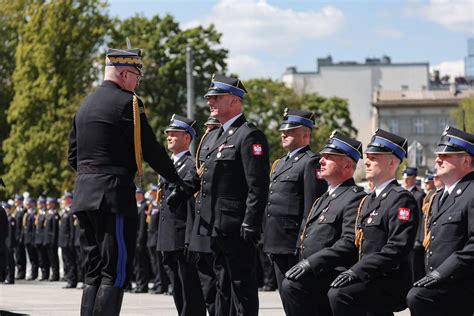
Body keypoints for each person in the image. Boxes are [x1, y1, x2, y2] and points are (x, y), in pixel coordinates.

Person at [68, 47, 186, 315]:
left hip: (84, 196)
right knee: (116, 271)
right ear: (123, 74)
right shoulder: (128, 103)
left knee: (93, 270)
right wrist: (178, 179)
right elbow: (151, 148)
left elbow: (72, 156)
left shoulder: (85, 105)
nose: (137, 82)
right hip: (113, 197)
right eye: (136, 76)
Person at [171, 74, 270, 316]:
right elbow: (200, 175)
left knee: (241, 287)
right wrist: (181, 191)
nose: (210, 102)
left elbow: (257, 185)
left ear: (235, 101)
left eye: (217, 97)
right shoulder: (213, 136)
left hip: (236, 227)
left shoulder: (249, 136)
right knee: (222, 287)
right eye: (209, 98)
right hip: (213, 226)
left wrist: (251, 222)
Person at [327, 129, 418, 316]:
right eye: (367, 157)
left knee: (340, 294)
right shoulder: (369, 199)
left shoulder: (401, 199)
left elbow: (397, 248)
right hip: (368, 276)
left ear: (392, 162)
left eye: (374, 157)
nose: (366, 162)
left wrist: (357, 271)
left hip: (388, 279)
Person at [280, 131, 365, 316]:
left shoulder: (355, 197)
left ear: (347, 165)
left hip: (331, 272)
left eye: (329, 157)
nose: (321, 161)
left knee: (292, 286)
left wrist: (311, 263)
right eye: (322, 156)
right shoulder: (322, 199)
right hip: (312, 272)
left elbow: (349, 241)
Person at [407, 126, 474, 316]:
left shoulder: (471, 191)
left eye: (446, 156)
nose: (438, 159)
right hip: (438, 282)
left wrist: (440, 273)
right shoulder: (439, 196)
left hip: (460, 285)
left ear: (466, 160)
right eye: (438, 155)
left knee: (417, 297)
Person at [263, 108, 327, 293]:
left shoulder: (311, 162)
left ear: (305, 133)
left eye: (290, 131)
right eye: (283, 130)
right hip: (275, 241)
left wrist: (302, 243)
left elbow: (312, 207)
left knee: (299, 299)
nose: (283, 134)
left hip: (293, 244)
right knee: (287, 298)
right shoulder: (280, 163)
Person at [157, 114, 206, 315]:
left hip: (182, 239)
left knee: (190, 292)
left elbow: (192, 208)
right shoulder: (168, 166)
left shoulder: (190, 167)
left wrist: (189, 240)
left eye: (174, 134)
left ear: (187, 138)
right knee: (178, 290)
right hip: (169, 239)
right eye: (168, 134)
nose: (169, 137)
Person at [188, 118, 220, 315]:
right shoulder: (201, 163)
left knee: (222, 288)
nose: (208, 133)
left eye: (213, 129)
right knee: (207, 287)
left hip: (219, 227)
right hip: (202, 230)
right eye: (207, 129)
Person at [402, 167, 426, 284]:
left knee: (415, 269)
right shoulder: (402, 194)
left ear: (414, 179)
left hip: (414, 237)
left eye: (409, 178)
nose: (406, 181)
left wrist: (419, 238)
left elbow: (421, 218)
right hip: (404, 237)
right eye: (405, 178)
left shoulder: (419, 195)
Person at [132, 187, 150, 293]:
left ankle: (143, 285)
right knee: (136, 263)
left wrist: (139, 240)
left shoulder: (144, 206)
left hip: (140, 239)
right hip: (135, 238)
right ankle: (139, 283)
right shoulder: (137, 206)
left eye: (138, 193)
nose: (136, 195)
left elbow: (142, 227)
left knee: (142, 263)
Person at [59, 191, 77, 288]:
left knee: (70, 261)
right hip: (63, 241)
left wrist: (71, 240)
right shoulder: (64, 212)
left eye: (64, 199)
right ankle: (68, 278)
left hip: (68, 241)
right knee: (66, 261)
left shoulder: (71, 211)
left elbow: (71, 228)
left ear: (69, 199)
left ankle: (72, 280)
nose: (63, 201)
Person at [44, 197, 60, 281]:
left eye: (48, 203)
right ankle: (52, 273)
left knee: (54, 258)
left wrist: (53, 240)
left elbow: (54, 229)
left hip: (52, 240)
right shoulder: (48, 213)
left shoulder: (55, 214)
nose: (47, 205)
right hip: (47, 239)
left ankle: (55, 274)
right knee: (50, 257)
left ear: (53, 204)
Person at [24, 196, 39, 281]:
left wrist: (34, 239)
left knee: (34, 257)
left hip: (32, 239)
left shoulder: (34, 214)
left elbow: (34, 228)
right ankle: (33, 272)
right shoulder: (27, 213)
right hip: (27, 239)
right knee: (30, 257)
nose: (27, 204)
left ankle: (34, 273)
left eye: (29, 203)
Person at [13, 194, 27, 280]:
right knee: (17, 255)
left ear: (20, 201)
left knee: (21, 255)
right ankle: (19, 271)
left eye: (16, 200)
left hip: (20, 236)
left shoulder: (24, 210)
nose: (15, 201)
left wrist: (21, 236)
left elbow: (23, 225)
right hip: (15, 236)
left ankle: (22, 272)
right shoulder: (16, 210)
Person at [3, 202, 16, 284]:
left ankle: (10, 277)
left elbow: (11, 233)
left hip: (9, 243)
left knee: (10, 261)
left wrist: (10, 244)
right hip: (5, 243)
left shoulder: (10, 219)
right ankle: (6, 276)